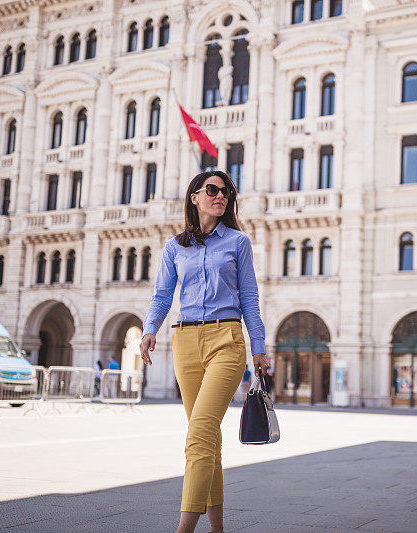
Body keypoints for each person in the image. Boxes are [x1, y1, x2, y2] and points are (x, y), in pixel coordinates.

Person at [139, 170, 268, 533]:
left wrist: (257, 347)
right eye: (212, 190)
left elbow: (249, 297)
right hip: (185, 342)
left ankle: (183, 529)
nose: (221, 196)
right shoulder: (174, 246)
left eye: (226, 191)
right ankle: (217, 529)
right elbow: (163, 294)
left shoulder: (238, 242)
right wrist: (150, 330)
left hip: (226, 341)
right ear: (194, 196)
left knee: (199, 434)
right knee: (208, 438)